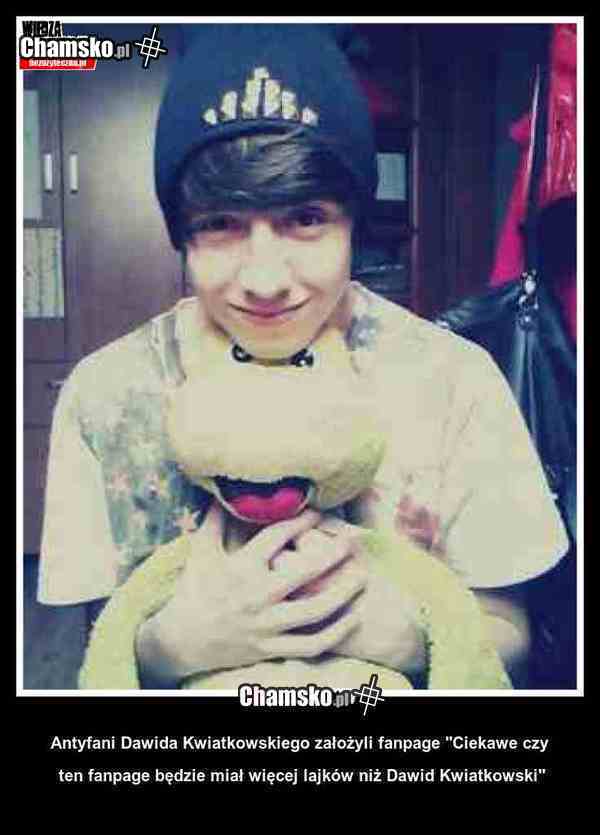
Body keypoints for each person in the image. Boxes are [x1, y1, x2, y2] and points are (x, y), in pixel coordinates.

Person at [37, 24, 569, 689]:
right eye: (220, 224)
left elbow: (510, 630)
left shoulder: (454, 381)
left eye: (306, 218)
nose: (265, 279)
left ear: (353, 221)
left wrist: (400, 633)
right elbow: (93, 644)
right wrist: (172, 646)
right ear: (182, 234)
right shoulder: (107, 395)